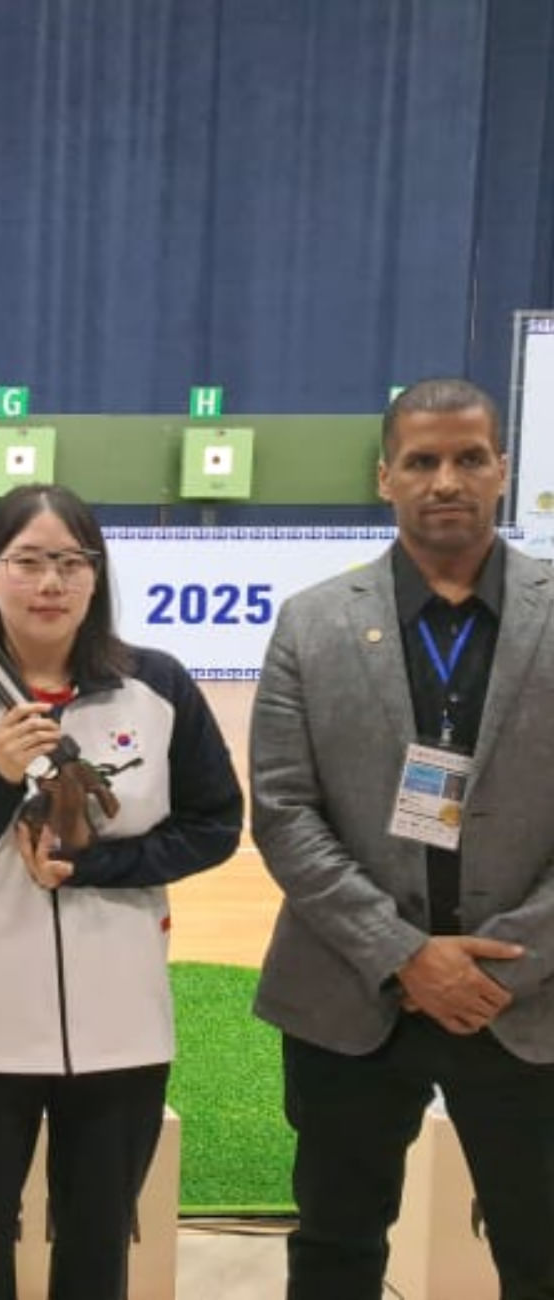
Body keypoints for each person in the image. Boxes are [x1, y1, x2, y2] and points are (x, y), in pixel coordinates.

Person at [0, 483, 241, 1300]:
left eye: (70, 563)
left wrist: (96, 868)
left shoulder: (159, 688)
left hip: (123, 1028)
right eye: (28, 562)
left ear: (96, 576)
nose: (50, 583)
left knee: (97, 1252)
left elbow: (217, 825)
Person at [252, 377, 554, 1299]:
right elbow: (282, 810)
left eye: (468, 457)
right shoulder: (313, 623)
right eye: (421, 461)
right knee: (337, 1252)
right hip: (352, 996)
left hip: (528, 1001)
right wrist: (405, 954)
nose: (446, 479)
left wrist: (507, 962)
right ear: (386, 477)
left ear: (503, 468)